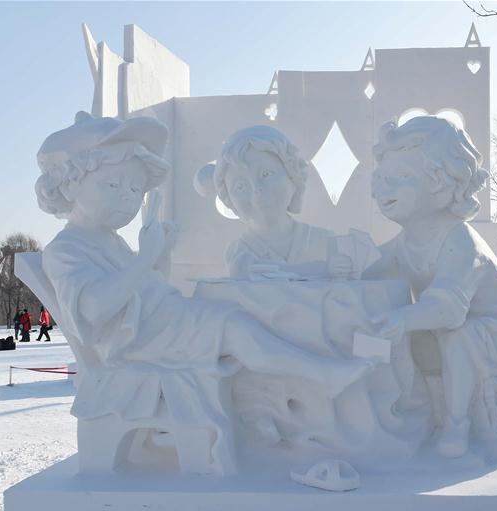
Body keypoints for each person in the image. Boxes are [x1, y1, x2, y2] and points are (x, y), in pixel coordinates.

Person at [34, 112, 370, 450]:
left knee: (238, 324)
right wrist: (145, 258)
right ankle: (322, 377)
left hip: (159, 327)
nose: (128, 197)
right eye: (113, 184)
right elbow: (92, 310)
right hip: (137, 345)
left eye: (136, 188)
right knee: (236, 327)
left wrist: (160, 254)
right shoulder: (66, 249)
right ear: (70, 184)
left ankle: (274, 408)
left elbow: (145, 289)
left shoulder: (108, 241)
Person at [364, 116, 497, 460]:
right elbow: (368, 276)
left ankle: (455, 423)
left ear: (444, 185)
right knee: (408, 337)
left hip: (496, 334)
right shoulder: (405, 243)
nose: (384, 189)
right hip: (444, 328)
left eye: (401, 178)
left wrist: (401, 319)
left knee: (453, 336)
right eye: (382, 178)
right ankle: (416, 407)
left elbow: (448, 309)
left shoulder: (460, 242)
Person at [194, 126, 351, 280]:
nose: (256, 188)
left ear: (293, 176)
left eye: (266, 174)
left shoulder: (323, 241)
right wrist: (322, 269)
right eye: (240, 186)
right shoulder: (238, 252)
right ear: (229, 200)